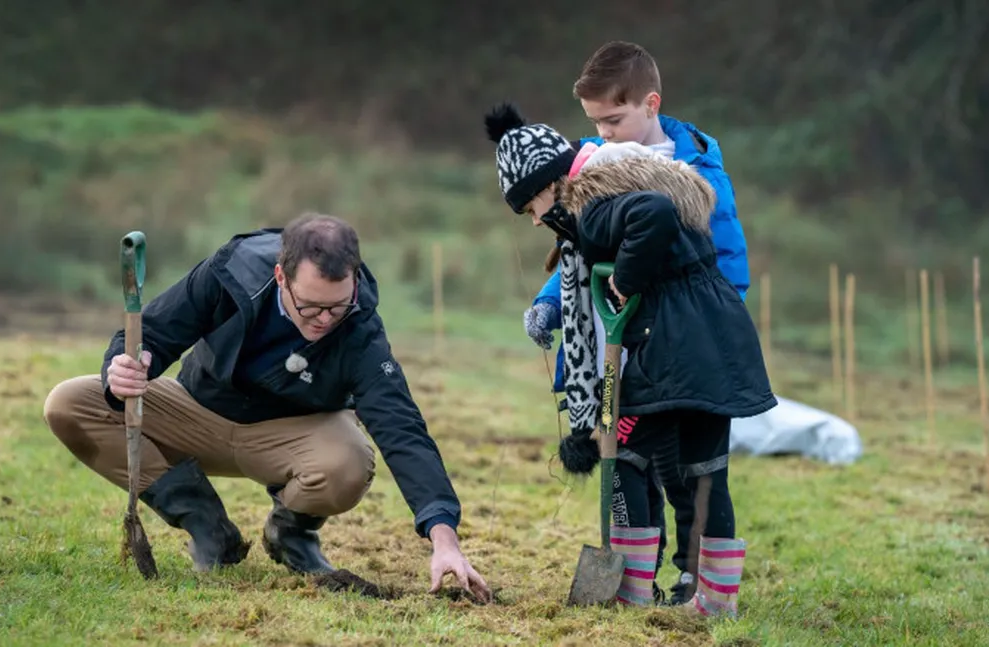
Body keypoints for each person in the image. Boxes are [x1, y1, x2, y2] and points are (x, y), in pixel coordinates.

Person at [42, 213, 491, 603]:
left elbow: (402, 429)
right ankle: (205, 523)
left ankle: (291, 533)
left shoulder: (361, 331)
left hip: (293, 436)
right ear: (281, 277)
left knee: (350, 463)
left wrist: (444, 538)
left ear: (353, 280)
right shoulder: (230, 274)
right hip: (197, 412)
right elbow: (152, 333)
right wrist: (125, 367)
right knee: (70, 403)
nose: (324, 320)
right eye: (311, 306)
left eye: (337, 307)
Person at [484, 102, 776, 617]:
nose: (535, 221)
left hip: (682, 348)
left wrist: (622, 281)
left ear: (549, 185)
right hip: (698, 341)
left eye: (530, 207)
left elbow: (655, 218)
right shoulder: (613, 186)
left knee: (660, 462)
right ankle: (678, 595)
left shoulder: (595, 207)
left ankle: (669, 594)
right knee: (681, 463)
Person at [521, 40, 750, 605]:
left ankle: (704, 584)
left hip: (686, 342)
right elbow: (581, 250)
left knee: (693, 469)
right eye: (595, 123)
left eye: (614, 120)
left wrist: (716, 325)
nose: (605, 134)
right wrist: (551, 301)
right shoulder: (600, 165)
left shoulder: (695, 170)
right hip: (618, 344)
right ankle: (629, 584)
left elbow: (724, 262)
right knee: (627, 455)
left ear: (652, 104)